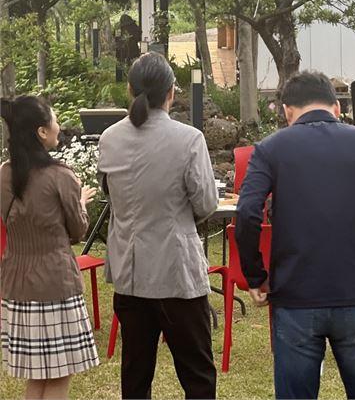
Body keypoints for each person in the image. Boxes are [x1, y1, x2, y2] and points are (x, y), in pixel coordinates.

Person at [235, 71, 355, 400]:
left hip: (295, 296)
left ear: (287, 110)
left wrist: (257, 275)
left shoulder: (271, 148)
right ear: (335, 107)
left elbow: (246, 213)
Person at [97, 52, 218, 399]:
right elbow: (206, 204)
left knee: (135, 376)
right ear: (171, 92)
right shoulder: (189, 139)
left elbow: (110, 195)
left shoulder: (109, 138)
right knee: (197, 375)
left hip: (130, 273)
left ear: (130, 90)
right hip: (176, 272)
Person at [0, 95, 99, 398]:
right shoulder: (61, 176)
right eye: (54, 120)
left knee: (36, 376)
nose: (59, 126)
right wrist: (80, 201)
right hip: (56, 282)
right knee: (57, 375)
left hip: (16, 282)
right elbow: (77, 231)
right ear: (42, 131)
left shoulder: (5, 173)